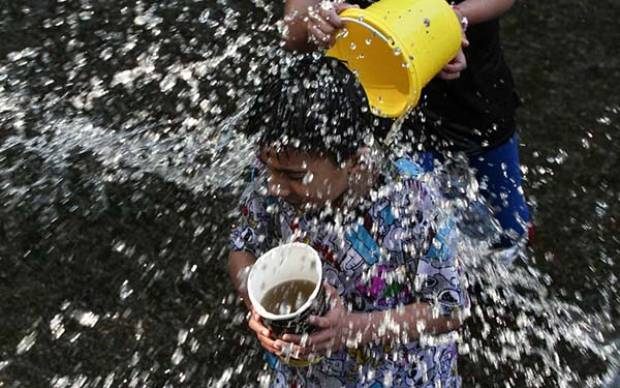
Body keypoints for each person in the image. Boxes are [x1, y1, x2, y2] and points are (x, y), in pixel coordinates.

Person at [228, 57, 470, 387]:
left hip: (398, 376)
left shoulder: (413, 201)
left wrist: (350, 329)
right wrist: (255, 303)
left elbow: (450, 309)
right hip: (308, 374)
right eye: (267, 167)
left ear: (354, 162)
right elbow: (242, 249)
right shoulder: (273, 175)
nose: (273, 186)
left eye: (293, 176)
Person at [281, 0, 531, 260]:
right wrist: (320, 21)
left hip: (475, 103)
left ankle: (507, 260)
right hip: (384, 104)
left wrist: (454, 19)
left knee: (508, 226)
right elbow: (293, 32)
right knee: (412, 230)